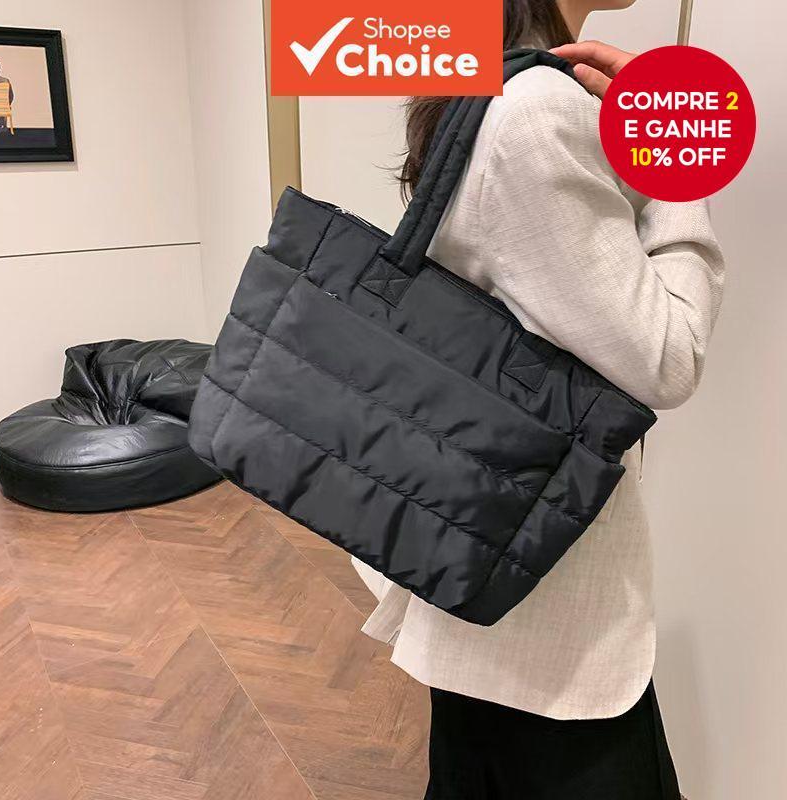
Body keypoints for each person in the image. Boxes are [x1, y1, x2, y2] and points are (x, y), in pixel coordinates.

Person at [352, 2, 724, 798]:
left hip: (486, 559)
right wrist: (673, 154)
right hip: (540, 601)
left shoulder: (499, 84)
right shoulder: (536, 109)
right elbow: (669, 359)